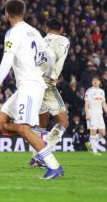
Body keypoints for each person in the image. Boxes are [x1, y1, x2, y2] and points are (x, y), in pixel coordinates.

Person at [0, 0, 63, 179]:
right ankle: (34, 135)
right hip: (28, 86)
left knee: (23, 129)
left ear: (6, 14)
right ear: (23, 13)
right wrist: (50, 74)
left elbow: (7, 60)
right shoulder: (33, 31)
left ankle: (53, 165)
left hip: (30, 86)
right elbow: (50, 55)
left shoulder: (13, 33)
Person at [30, 18, 70, 166]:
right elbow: (60, 59)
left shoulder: (40, 40)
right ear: (61, 29)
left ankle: (35, 157)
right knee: (64, 122)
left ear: (46, 28)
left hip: (33, 82)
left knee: (42, 123)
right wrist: (54, 76)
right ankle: (43, 154)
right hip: (47, 82)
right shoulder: (63, 40)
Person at [84, 76, 107, 155]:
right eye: (93, 80)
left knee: (103, 133)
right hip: (92, 113)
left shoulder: (102, 91)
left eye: (97, 80)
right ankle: (94, 151)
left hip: (100, 114)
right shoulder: (89, 91)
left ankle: (90, 143)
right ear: (92, 82)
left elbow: (103, 103)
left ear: (99, 82)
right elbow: (86, 104)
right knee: (93, 131)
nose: (95, 82)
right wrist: (87, 114)